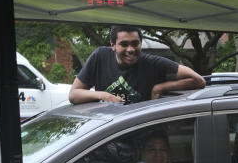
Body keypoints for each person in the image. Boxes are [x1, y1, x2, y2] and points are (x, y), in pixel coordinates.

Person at [69, 26, 204, 105]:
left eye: (135, 43)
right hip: (107, 133)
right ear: (113, 45)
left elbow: (198, 80)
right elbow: (74, 95)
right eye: (124, 44)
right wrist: (103, 95)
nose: (131, 49)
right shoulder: (100, 57)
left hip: (138, 132)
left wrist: (159, 88)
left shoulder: (152, 63)